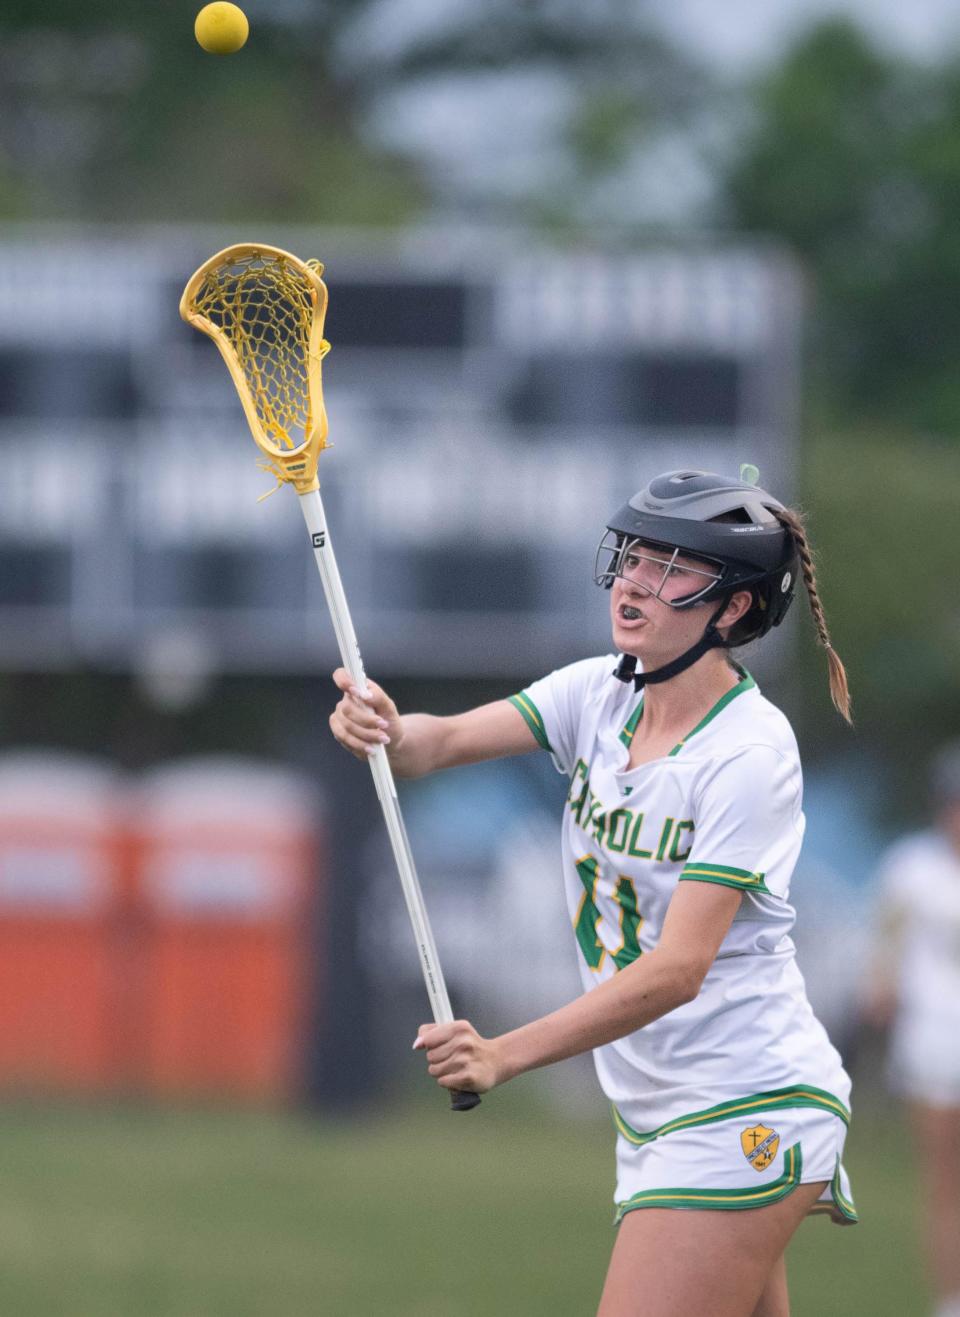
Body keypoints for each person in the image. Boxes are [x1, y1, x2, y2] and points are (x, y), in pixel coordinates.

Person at [329, 468, 857, 1317]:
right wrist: (383, 728)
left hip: (740, 1102)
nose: (637, 581)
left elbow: (677, 970)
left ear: (734, 609)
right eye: (636, 556)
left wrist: (503, 1052)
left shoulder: (749, 754)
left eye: (674, 568)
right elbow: (439, 742)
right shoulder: (601, 693)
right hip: (667, 1109)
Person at [864, 744, 960, 1317]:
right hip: (933, 1040)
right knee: (944, 1178)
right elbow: (886, 946)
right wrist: (879, 989)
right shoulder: (913, 868)